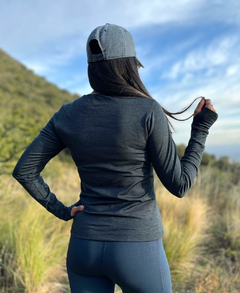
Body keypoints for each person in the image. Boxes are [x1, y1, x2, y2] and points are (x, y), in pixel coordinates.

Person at [12, 23, 218, 293]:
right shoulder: (147, 110)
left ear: (92, 67)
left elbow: (24, 170)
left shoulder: (67, 114)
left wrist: (62, 211)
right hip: (138, 247)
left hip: (84, 247)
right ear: (130, 65)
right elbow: (179, 185)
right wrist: (200, 129)